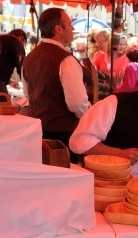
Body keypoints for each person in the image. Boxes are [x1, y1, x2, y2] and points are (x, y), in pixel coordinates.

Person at [22, 8, 89, 154]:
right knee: (61, 173)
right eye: (70, 24)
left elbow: (29, 95)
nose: (73, 28)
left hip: (35, 129)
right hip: (61, 134)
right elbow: (78, 104)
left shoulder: (29, 58)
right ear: (58, 29)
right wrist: (89, 113)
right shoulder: (66, 60)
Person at [0, 29, 27, 94]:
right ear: (22, 38)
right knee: (3, 102)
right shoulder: (16, 42)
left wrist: (9, 81)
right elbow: (21, 68)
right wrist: (28, 86)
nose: (23, 46)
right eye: (24, 44)